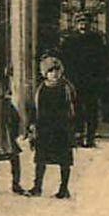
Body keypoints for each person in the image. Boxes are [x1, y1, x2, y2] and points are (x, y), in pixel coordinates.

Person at [27, 54, 78, 199]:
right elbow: (35, 109)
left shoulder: (67, 88)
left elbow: (74, 108)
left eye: (57, 70)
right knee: (40, 160)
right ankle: (37, 187)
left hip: (62, 129)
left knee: (64, 161)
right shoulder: (41, 90)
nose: (54, 74)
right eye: (50, 71)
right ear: (45, 74)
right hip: (45, 129)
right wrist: (32, 125)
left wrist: (75, 126)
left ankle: (64, 188)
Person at [58, 19, 108, 148]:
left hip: (91, 80)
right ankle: (78, 135)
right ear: (76, 25)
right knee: (76, 108)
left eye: (85, 22)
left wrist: (99, 77)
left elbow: (102, 59)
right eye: (80, 23)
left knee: (92, 108)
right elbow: (64, 59)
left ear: (89, 25)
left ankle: (90, 136)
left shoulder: (96, 40)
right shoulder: (69, 41)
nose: (83, 25)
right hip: (75, 80)